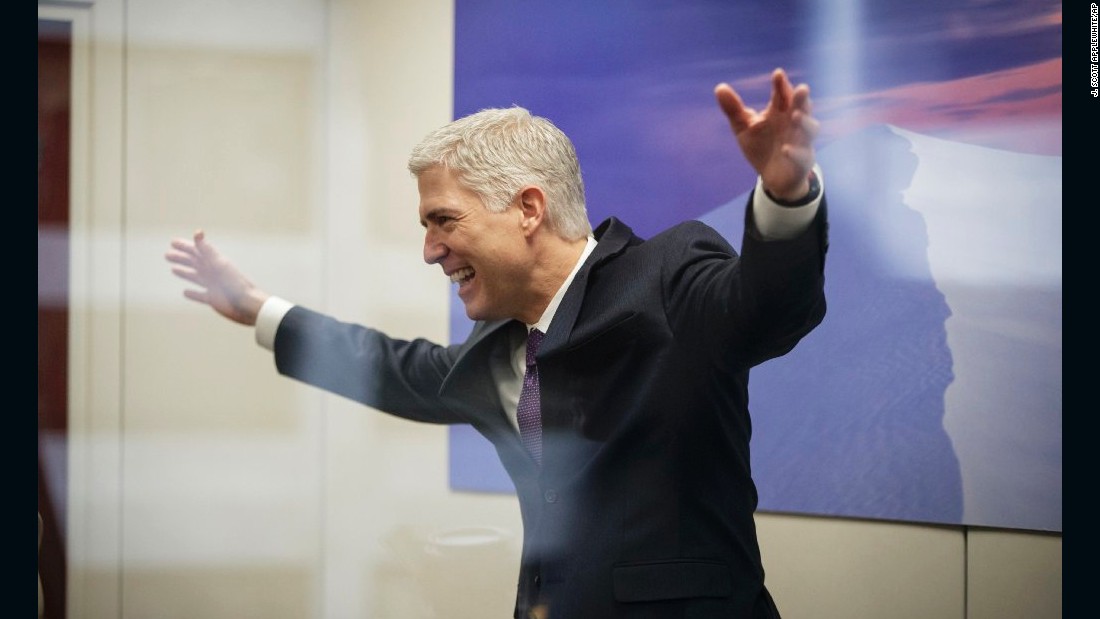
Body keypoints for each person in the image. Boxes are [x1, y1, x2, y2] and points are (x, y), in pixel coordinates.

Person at [166, 68, 827, 619]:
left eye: (443, 220)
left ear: (529, 209)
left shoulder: (668, 273)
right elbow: (396, 369)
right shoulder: (499, 346)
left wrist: (785, 193)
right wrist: (259, 309)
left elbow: (769, 310)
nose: (430, 250)